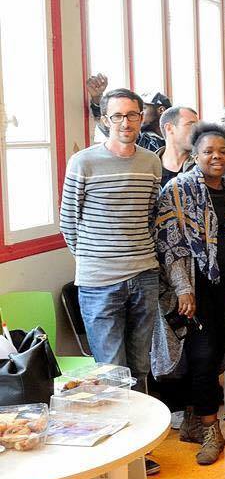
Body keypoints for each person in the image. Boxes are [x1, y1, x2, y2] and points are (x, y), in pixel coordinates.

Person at [153, 124, 225, 465]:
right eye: (208, 151)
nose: (216, 157)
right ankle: (211, 430)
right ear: (195, 155)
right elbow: (170, 245)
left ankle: (193, 422)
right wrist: (184, 289)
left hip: (222, 288)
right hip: (193, 288)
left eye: (222, 151)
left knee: (213, 355)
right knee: (204, 357)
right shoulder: (178, 190)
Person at [60, 88, 162, 389]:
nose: (125, 123)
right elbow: (68, 222)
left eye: (131, 115)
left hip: (144, 275)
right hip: (99, 282)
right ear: (105, 120)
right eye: (117, 116)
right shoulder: (83, 162)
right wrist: (94, 258)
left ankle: (141, 420)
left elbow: (151, 215)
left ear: (141, 118)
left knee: (141, 366)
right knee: (111, 371)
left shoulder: (151, 162)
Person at [158, 106, 198, 187]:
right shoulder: (147, 167)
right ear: (169, 128)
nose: (197, 131)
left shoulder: (202, 167)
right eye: (190, 124)